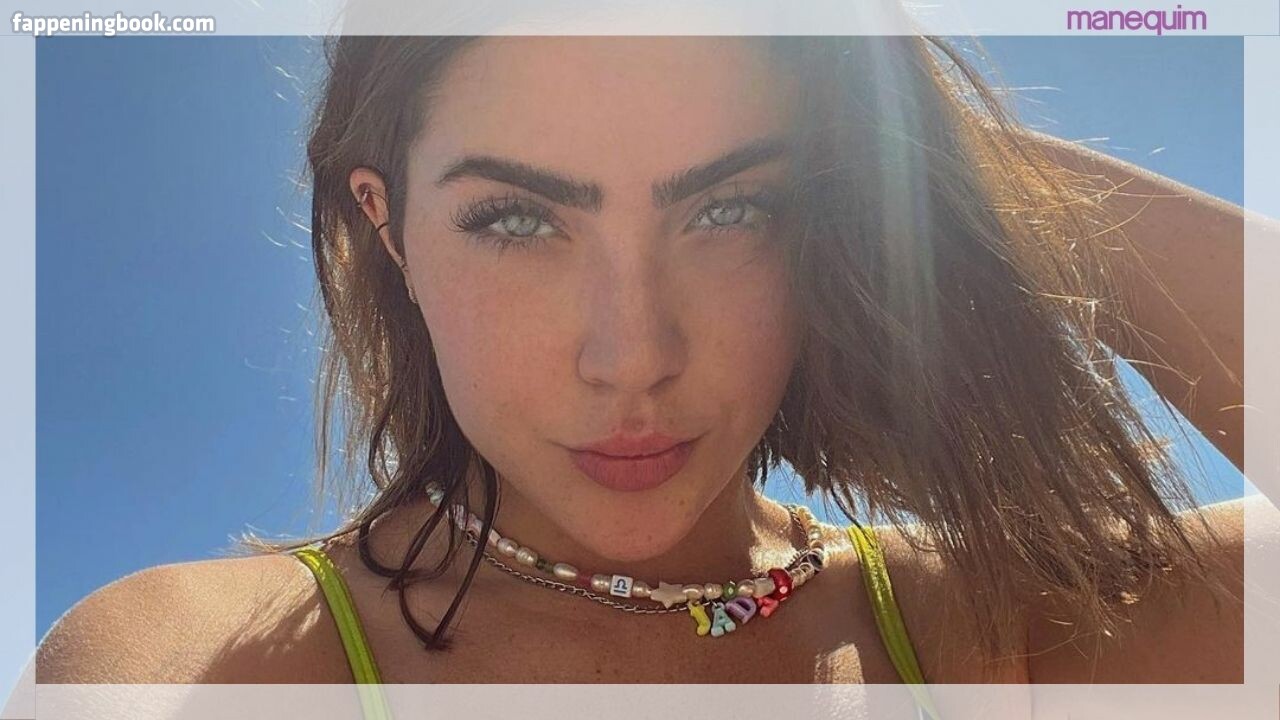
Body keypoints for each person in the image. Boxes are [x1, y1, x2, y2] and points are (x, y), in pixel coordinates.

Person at [36, 35, 1264, 704]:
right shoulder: (192, 669)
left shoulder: (993, 630)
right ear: (389, 224)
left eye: (731, 209)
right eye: (516, 219)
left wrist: (940, 163)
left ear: (831, 214)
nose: (633, 356)